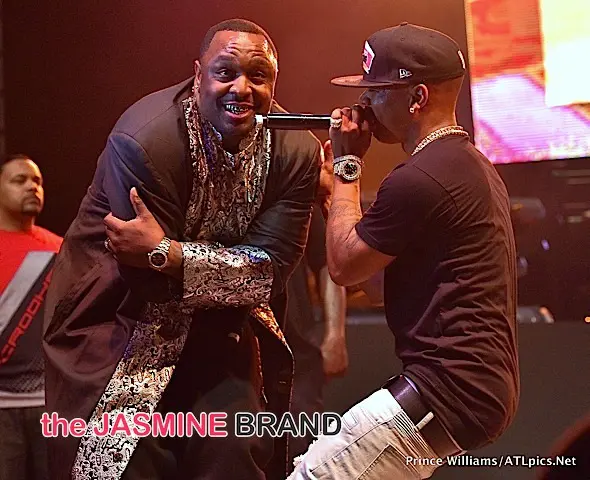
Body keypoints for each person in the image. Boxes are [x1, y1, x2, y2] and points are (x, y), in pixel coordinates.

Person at [43, 19, 320, 480]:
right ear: (197, 74)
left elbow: (268, 275)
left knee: (232, 456)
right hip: (119, 320)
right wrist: (215, 267)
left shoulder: (296, 151)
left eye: (258, 76)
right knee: (119, 463)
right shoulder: (144, 140)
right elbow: (147, 279)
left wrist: (167, 254)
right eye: (225, 72)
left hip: (222, 329)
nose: (241, 88)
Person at [289, 23, 519, 479]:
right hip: (471, 390)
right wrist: (331, 195)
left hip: (446, 388)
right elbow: (372, 282)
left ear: (416, 98)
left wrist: (347, 164)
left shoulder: (420, 178)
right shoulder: (463, 165)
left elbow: (342, 267)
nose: (364, 103)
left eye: (377, 91)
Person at [0, 154, 62, 480]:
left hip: (49, 405)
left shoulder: (61, 251)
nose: (31, 187)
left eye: (37, 181)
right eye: (19, 180)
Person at [284, 205, 347, 466]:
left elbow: (327, 265)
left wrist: (335, 335)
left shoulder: (299, 193)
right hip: (232, 352)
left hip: (298, 352)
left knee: (299, 456)